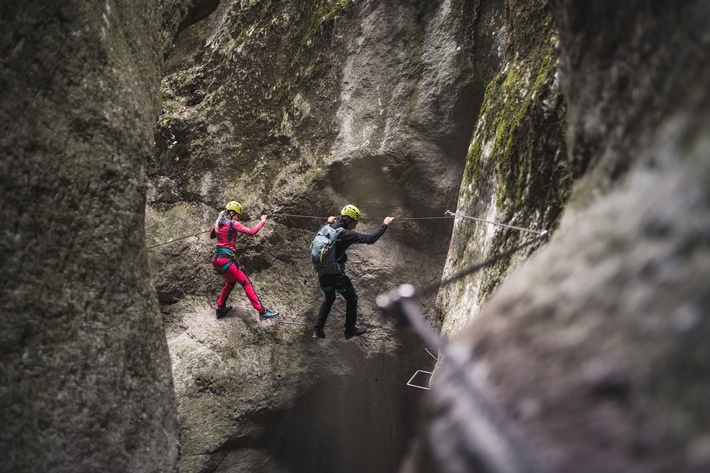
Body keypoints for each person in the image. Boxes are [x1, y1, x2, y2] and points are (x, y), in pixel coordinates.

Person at [313, 204, 394, 339]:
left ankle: (317, 330)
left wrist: (328, 221)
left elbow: (319, 235)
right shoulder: (346, 234)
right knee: (352, 298)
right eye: (355, 222)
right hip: (336, 276)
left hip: (322, 274)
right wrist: (385, 224)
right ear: (348, 220)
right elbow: (370, 239)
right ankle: (349, 330)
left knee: (329, 298)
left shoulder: (325, 228)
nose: (355, 225)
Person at [210, 201, 279, 320]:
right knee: (246, 283)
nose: (239, 218)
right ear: (232, 213)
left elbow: (212, 236)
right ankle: (262, 312)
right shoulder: (233, 223)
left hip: (216, 260)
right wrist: (262, 220)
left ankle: (220, 308)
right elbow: (252, 232)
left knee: (231, 282)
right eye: (238, 215)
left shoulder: (218, 222)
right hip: (226, 260)